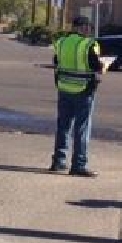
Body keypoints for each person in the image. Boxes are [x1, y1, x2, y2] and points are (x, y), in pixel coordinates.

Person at [49, 16, 109, 177]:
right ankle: (78, 165)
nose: (89, 29)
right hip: (84, 90)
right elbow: (96, 65)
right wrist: (103, 67)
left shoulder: (61, 42)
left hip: (64, 88)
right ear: (82, 27)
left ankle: (58, 161)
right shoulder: (89, 44)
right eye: (88, 27)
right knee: (82, 128)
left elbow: (56, 61)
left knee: (63, 126)